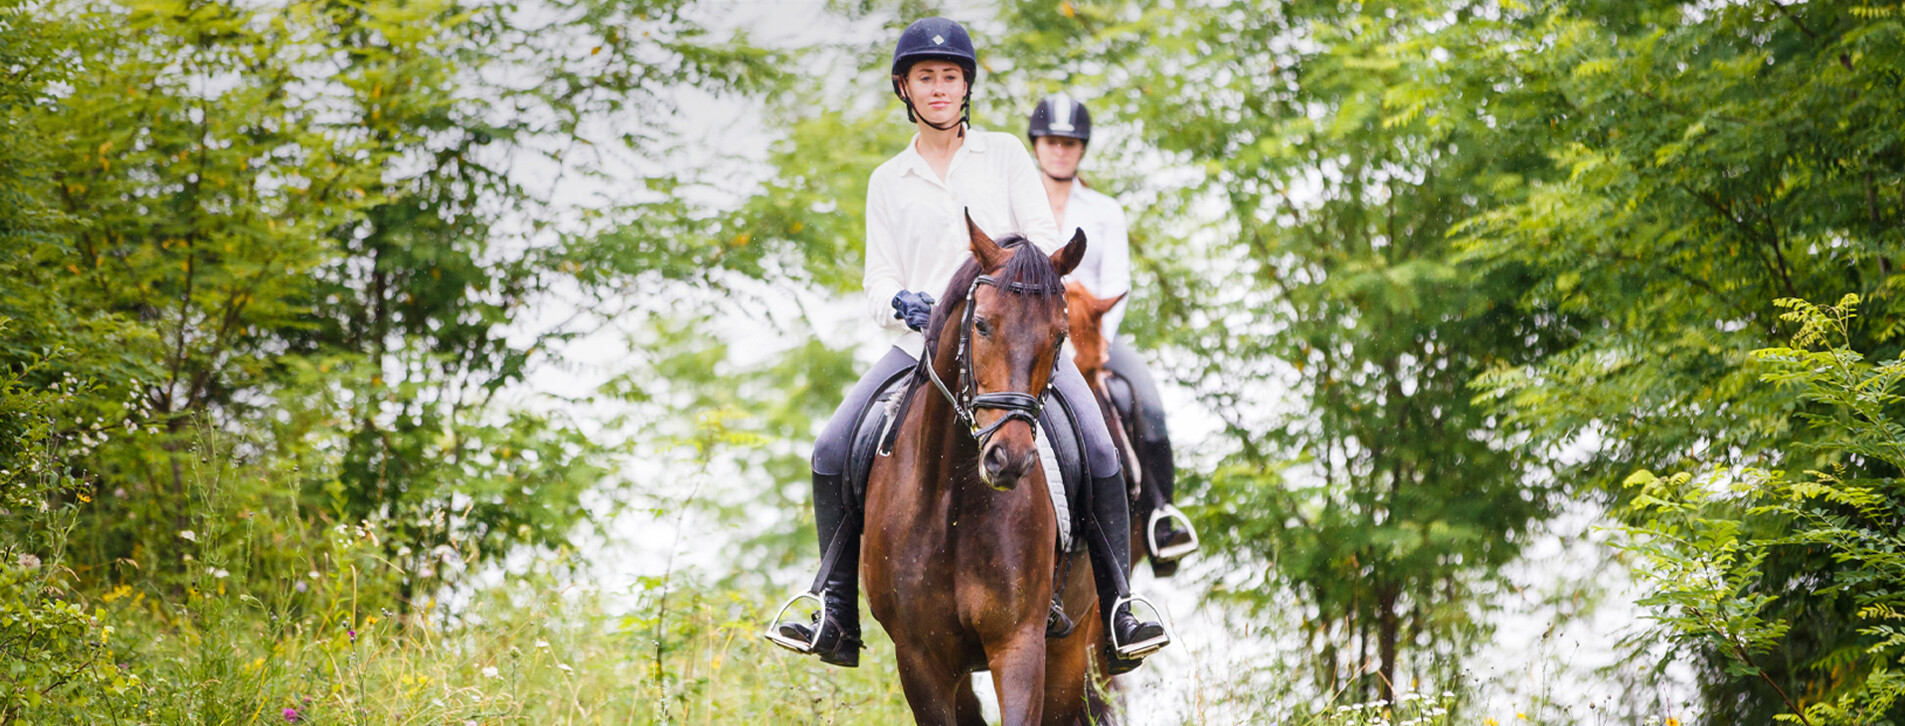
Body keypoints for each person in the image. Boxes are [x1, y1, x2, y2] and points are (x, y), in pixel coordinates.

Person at [768, 17, 1168, 674]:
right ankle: (833, 606)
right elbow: (878, 277)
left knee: (1098, 445)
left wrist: (1006, 286)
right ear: (904, 87)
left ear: (965, 86)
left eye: (949, 77)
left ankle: (1121, 605)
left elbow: (1040, 238)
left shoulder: (1007, 154)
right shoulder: (886, 180)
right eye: (925, 77)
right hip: (917, 347)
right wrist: (897, 302)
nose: (938, 88)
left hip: (1009, 342)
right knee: (832, 446)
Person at [1026, 93, 1197, 568]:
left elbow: (1117, 283)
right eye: (1052, 141)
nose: (1060, 150)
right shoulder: (1017, 203)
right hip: (1031, 336)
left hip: (1092, 334)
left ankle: (1161, 517)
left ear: (1082, 149)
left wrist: (1094, 343)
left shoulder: (1104, 210)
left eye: (1070, 143)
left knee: (1150, 404)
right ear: (1036, 145)